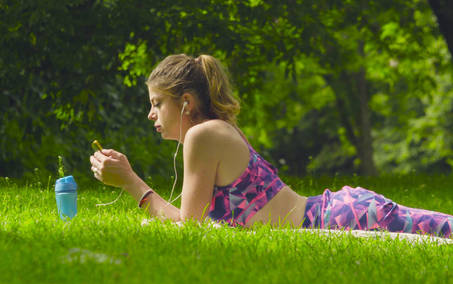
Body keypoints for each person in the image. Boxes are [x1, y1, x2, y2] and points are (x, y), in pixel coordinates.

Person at [89, 54, 453, 238]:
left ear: (186, 102)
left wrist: (131, 183)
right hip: (341, 211)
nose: (151, 114)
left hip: (337, 220)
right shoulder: (214, 131)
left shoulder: (203, 135)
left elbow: (190, 226)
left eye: (157, 103)